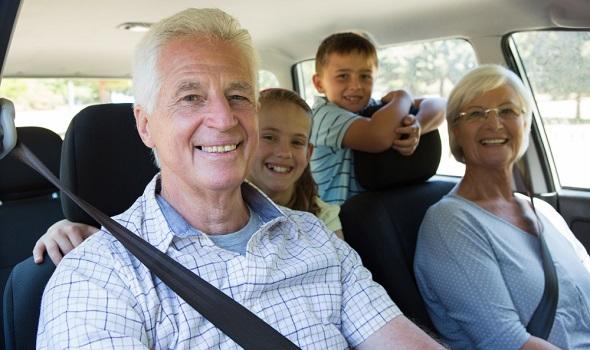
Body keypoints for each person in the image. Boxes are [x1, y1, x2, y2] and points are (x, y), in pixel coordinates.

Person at [37, 8, 442, 349]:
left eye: (238, 96)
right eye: (191, 96)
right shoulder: (99, 275)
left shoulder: (314, 237)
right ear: (146, 125)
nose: (224, 119)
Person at [33, 88, 343, 266]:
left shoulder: (320, 222)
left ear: (310, 151)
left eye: (297, 142)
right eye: (269, 137)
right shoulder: (194, 212)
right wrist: (66, 227)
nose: (283, 152)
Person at [414, 64, 590, 349]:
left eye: (508, 111)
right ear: (455, 132)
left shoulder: (543, 212)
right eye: (475, 113)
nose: (494, 123)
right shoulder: (449, 222)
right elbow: (506, 341)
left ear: (527, 124)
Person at [310, 32, 446, 204]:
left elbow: (440, 105)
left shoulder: (370, 107)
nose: (356, 86)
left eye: (365, 76)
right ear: (319, 84)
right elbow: (377, 136)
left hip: (362, 211)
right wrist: (403, 97)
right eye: (343, 76)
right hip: (332, 220)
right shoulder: (322, 116)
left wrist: (417, 126)